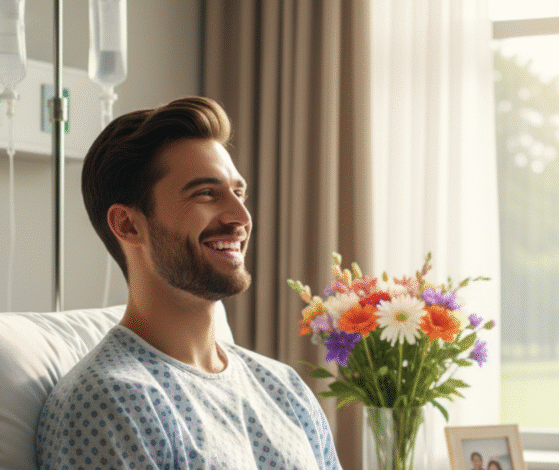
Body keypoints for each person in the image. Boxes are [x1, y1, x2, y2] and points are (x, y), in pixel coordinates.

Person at [35, 97, 342, 469]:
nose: (241, 217)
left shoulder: (283, 388)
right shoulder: (111, 400)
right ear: (128, 225)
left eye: (239, 192)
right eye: (206, 193)